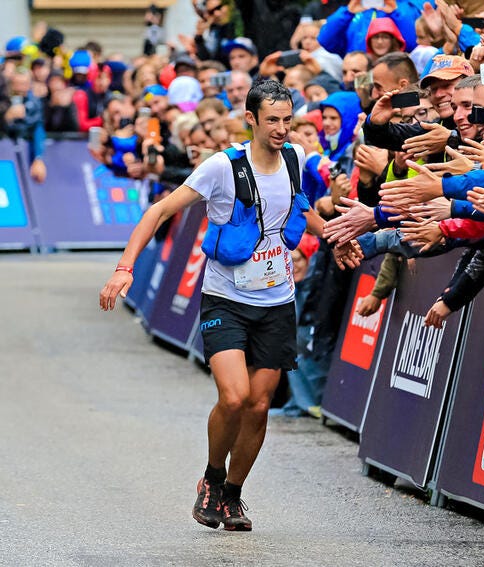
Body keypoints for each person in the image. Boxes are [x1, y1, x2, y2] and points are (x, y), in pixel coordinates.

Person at [99, 80, 324, 531]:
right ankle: (211, 476)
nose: (281, 129)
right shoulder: (222, 167)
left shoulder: (296, 159)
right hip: (227, 297)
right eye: (272, 120)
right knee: (235, 396)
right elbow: (159, 211)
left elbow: (300, 209)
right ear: (251, 119)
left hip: (278, 299)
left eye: (287, 119)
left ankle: (232, 495)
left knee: (260, 405)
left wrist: (333, 235)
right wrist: (124, 268)